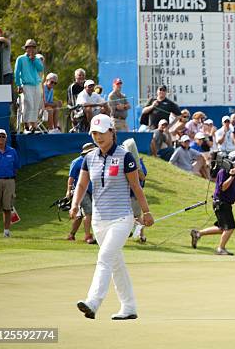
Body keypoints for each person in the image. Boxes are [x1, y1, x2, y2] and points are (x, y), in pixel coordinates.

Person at [70, 114, 154, 320]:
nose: (98, 137)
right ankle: (129, 306)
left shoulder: (125, 156)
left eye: (102, 133)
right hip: (99, 220)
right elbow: (81, 184)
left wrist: (146, 211)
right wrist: (74, 204)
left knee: (104, 257)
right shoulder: (88, 158)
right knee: (116, 264)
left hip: (121, 218)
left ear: (112, 132)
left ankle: (93, 302)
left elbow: (136, 186)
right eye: (95, 133)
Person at [190, 157, 235, 255]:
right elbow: (223, 187)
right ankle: (221, 249)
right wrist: (231, 176)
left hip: (226, 204)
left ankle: (198, 233)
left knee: (222, 228)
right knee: (230, 227)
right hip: (221, 203)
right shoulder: (223, 172)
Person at [0, 129, 20, 238]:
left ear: (6, 138)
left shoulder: (12, 151)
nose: (1, 138)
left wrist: (11, 179)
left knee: (8, 208)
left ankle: (6, 232)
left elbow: (16, 167)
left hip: (9, 181)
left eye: (3, 136)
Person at [66, 142, 97, 244]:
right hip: (81, 191)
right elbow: (71, 178)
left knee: (79, 216)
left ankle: (71, 235)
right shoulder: (77, 162)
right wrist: (68, 191)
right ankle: (88, 236)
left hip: (93, 191)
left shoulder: (95, 161)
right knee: (89, 212)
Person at [14, 39, 44, 132]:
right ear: (26, 48)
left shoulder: (37, 59)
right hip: (26, 85)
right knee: (28, 104)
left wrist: (34, 59)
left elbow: (40, 68)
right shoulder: (20, 58)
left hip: (37, 85)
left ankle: (33, 126)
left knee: (35, 105)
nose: (31, 49)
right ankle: (26, 126)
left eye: (33, 47)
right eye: (29, 47)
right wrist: (19, 85)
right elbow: (16, 72)